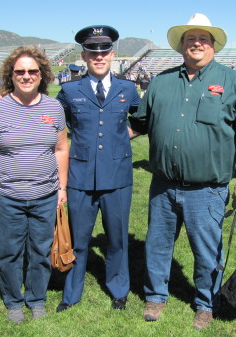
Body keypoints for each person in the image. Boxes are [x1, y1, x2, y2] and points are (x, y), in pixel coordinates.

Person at [128, 13, 236, 331]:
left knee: (206, 251)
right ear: (181, 46)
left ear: (213, 45)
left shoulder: (233, 82)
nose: (197, 43)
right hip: (163, 185)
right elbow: (138, 124)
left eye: (203, 38)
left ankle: (206, 303)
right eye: (190, 38)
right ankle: (155, 296)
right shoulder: (161, 82)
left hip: (207, 189)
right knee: (158, 244)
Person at [0, 46, 69, 324]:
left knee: (40, 251)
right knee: (8, 252)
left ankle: (36, 298)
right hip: (7, 196)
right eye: (20, 71)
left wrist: (62, 188)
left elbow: (61, 149)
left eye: (32, 71)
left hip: (45, 194)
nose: (26, 76)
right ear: (10, 75)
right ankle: (13, 301)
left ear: (42, 74)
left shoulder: (54, 108)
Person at [55, 25, 141, 313]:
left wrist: (123, 136)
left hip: (117, 177)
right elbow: (59, 125)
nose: (99, 56)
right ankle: (71, 293)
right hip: (80, 177)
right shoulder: (69, 90)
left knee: (116, 239)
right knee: (78, 239)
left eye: (104, 52)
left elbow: (142, 120)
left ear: (112, 55)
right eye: (93, 52)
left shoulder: (128, 89)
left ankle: (119, 290)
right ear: (84, 55)